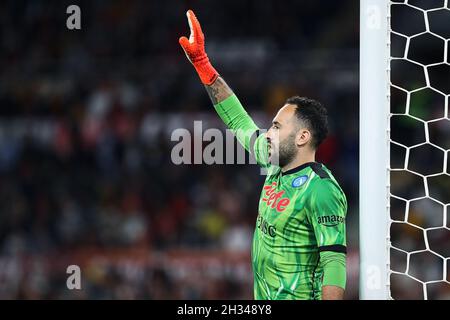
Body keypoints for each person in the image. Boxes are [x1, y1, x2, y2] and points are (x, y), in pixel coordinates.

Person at [179, 10, 347, 300]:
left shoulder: (321, 188)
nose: (268, 132)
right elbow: (238, 120)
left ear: (303, 137)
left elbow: (334, 261)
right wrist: (202, 64)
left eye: (277, 127)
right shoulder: (272, 161)